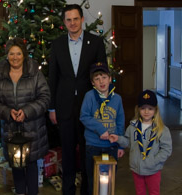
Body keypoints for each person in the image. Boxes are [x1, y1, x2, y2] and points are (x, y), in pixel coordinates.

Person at [48, 3, 107, 195]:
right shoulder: (57, 44)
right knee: (67, 153)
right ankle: (68, 190)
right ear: (64, 22)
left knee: (87, 152)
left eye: (76, 19)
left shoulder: (96, 43)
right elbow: (53, 77)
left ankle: (87, 191)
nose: (72, 23)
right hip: (64, 108)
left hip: (88, 109)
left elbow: (101, 77)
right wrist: (52, 108)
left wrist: (101, 106)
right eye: (68, 20)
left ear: (82, 19)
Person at [0, 37, 50, 195]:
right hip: (11, 129)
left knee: (31, 165)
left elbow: (45, 97)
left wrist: (27, 111)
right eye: (11, 54)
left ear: (24, 55)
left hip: (33, 128)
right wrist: (8, 112)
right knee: (16, 165)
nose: (15, 57)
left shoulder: (34, 71)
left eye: (18, 54)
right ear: (7, 55)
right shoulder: (0, 73)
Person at [109, 90, 172, 195]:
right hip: (136, 168)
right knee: (140, 192)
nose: (146, 112)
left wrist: (153, 161)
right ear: (138, 109)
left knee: (154, 192)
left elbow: (167, 149)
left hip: (153, 169)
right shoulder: (132, 127)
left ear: (155, 110)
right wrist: (118, 139)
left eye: (150, 109)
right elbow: (128, 142)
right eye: (143, 108)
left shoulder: (162, 129)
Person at [79, 62, 125, 195]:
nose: (101, 82)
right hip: (93, 146)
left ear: (110, 78)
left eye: (104, 77)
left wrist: (120, 145)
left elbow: (120, 121)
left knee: (109, 181)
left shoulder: (117, 99)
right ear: (93, 83)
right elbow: (84, 116)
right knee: (93, 181)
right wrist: (100, 129)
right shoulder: (89, 96)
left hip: (112, 146)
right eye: (97, 79)